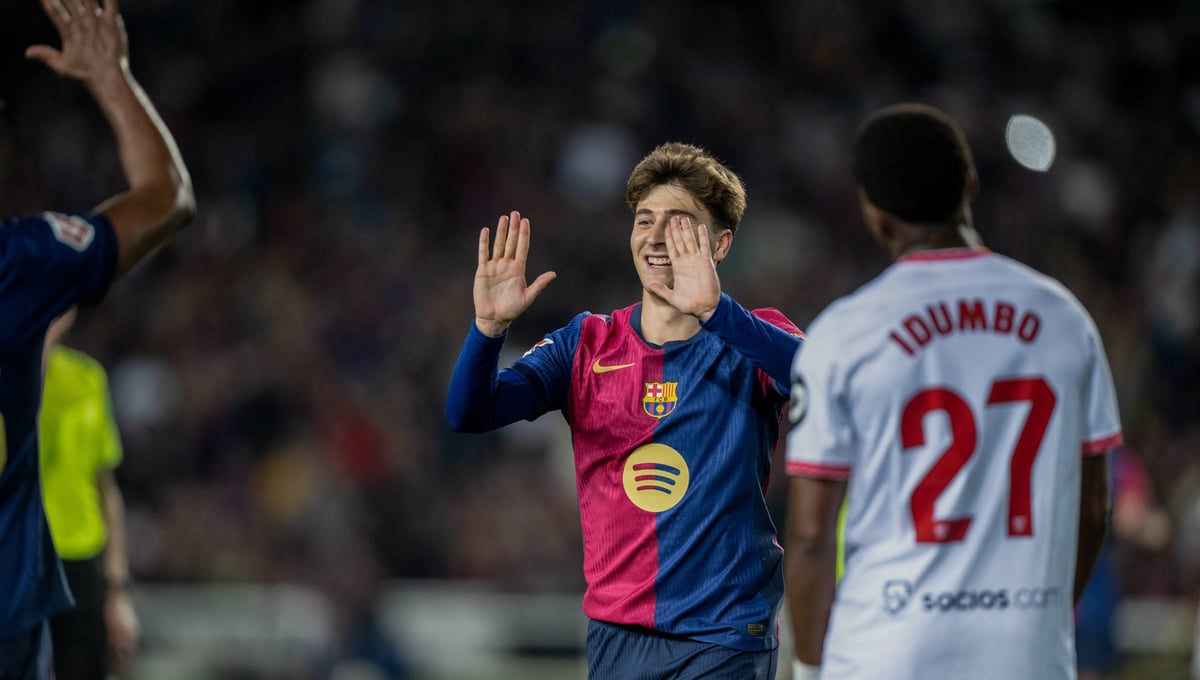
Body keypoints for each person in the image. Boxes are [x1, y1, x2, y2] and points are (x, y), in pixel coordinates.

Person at [782, 103, 1120, 680]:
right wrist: (1042, 619)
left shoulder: (844, 333)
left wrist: (811, 670)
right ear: (970, 183)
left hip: (884, 652)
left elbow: (812, 534)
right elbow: (1092, 507)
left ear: (874, 213)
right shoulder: (1064, 319)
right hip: (1025, 654)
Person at [446, 141, 803, 679]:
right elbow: (470, 413)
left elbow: (822, 377)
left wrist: (716, 313)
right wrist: (486, 331)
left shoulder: (755, 335)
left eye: (677, 222)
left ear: (720, 243)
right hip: (617, 638)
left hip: (725, 636)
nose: (655, 237)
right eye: (644, 220)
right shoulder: (584, 344)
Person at [0, 0, 195, 676]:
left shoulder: (83, 375)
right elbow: (166, 198)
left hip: (65, 573)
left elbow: (104, 484)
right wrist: (111, 78)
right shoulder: (21, 263)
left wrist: (115, 587)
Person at [40, 310, 139, 680]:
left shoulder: (87, 378)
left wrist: (118, 593)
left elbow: (107, 492)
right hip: (15, 561)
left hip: (79, 561)